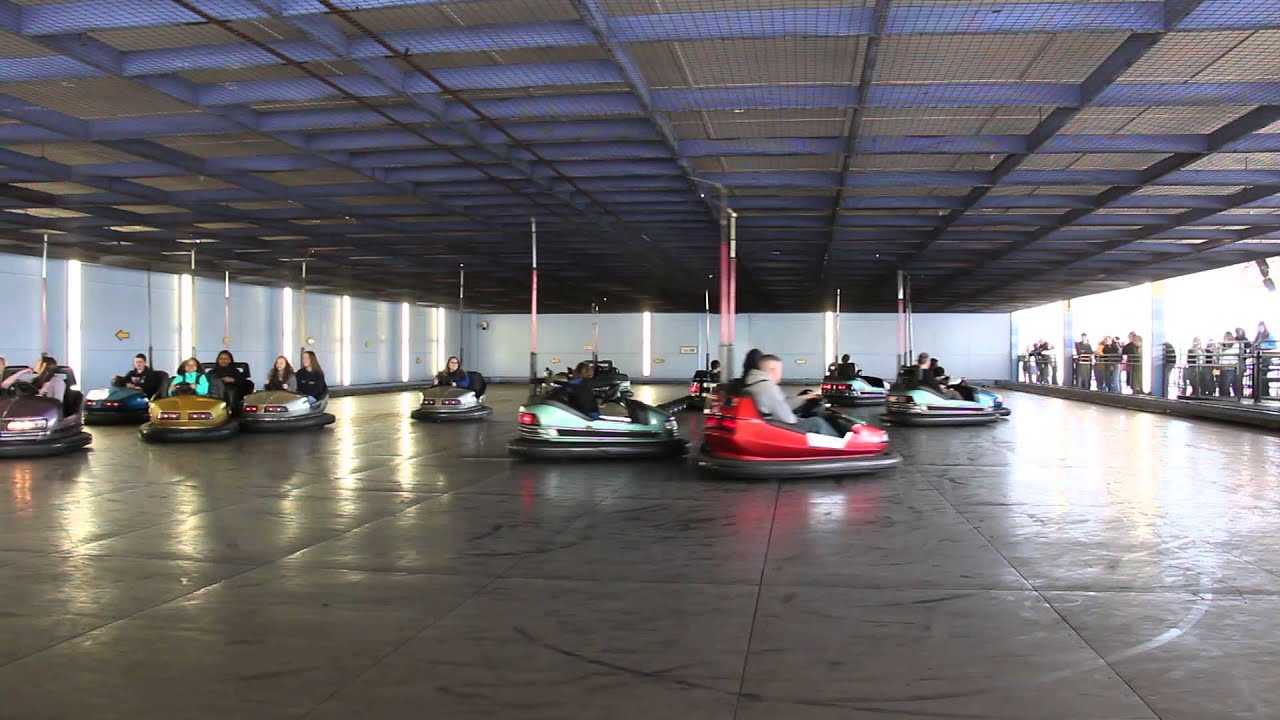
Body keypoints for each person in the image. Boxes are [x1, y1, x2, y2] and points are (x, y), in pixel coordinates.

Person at [745, 354, 839, 437]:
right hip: (778, 428)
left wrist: (804, 397)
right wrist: (800, 418)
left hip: (769, 424)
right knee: (817, 423)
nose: (781, 374)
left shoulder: (754, 384)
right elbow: (789, 420)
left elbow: (782, 404)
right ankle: (839, 446)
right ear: (772, 370)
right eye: (780, 370)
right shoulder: (769, 388)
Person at [1218, 331, 1239, 398]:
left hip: (1230, 366)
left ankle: (1229, 397)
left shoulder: (1235, 345)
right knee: (1223, 384)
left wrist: (1222, 350)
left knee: (1227, 383)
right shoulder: (1224, 346)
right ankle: (1225, 397)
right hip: (1223, 367)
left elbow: (1231, 354)